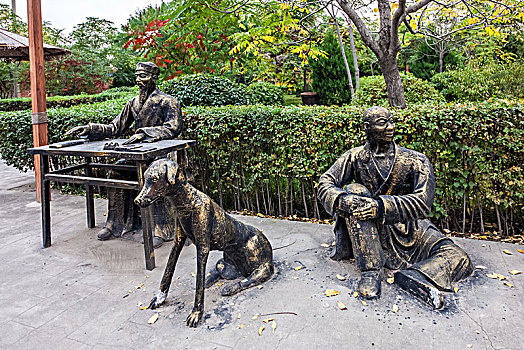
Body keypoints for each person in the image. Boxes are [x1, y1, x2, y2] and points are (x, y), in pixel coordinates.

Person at [317, 106, 472, 308]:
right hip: (368, 229)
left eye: (391, 121)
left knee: (459, 258)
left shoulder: (416, 160)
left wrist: (381, 207)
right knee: (355, 191)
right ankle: (371, 271)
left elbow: (423, 202)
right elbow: (325, 182)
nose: (390, 127)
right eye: (383, 123)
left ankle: (416, 276)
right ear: (367, 128)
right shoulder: (355, 157)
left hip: (409, 227)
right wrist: (340, 200)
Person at [66, 62, 183, 248]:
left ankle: (160, 229)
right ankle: (115, 224)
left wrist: (144, 133)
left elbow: (173, 128)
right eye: (137, 76)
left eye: (143, 76)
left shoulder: (168, 102)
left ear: (154, 78)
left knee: (155, 177)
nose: (139, 80)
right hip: (138, 153)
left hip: (161, 156)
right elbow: (115, 127)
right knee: (117, 171)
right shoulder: (133, 103)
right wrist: (90, 128)